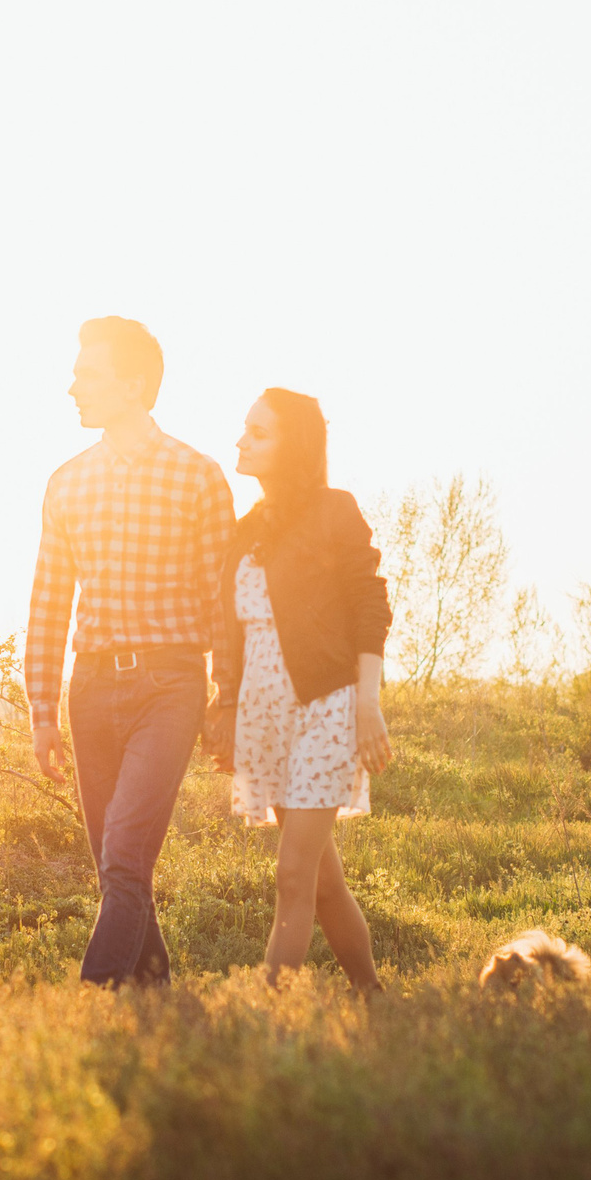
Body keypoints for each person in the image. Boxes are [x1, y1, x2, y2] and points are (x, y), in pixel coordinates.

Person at [25, 317, 237, 987]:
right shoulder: (65, 483)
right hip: (87, 690)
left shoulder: (198, 478)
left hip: (168, 687)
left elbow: (222, 603)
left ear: (135, 384)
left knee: (122, 856)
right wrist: (40, 710)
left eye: (87, 374)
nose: (71, 387)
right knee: (119, 864)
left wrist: (225, 697)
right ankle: (155, 990)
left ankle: (92, 1002)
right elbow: (49, 601)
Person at [206, 388, 394, 990]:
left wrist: (367, 701)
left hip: (327, 707)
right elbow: (229, 633)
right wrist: (225, 704)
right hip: (265, 714)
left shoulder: (335, 511)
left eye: (258, 432)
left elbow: (370, 606)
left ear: (295, 446)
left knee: (292, 874)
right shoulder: (246, 531)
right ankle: (374, 997)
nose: (242, 440)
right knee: (321, 880)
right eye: (245, 429)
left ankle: (269, 1011)